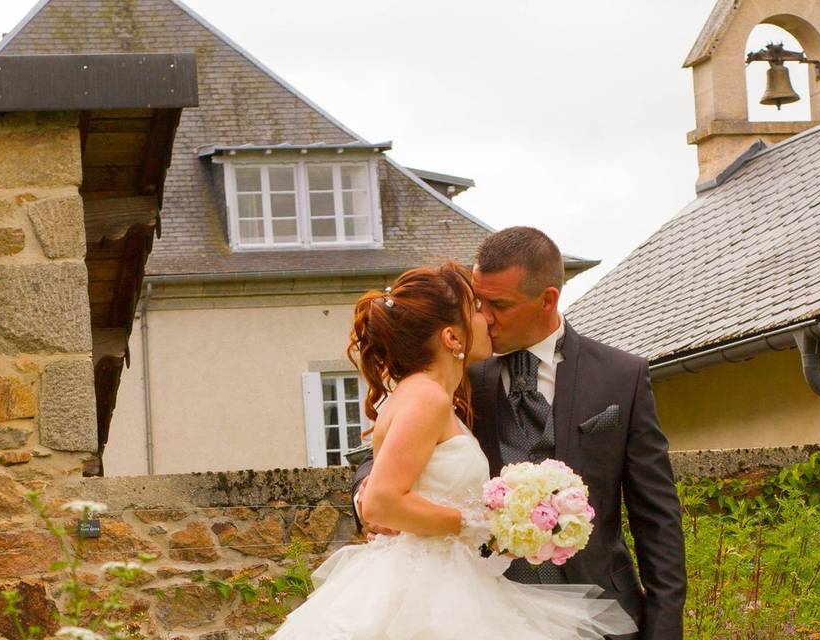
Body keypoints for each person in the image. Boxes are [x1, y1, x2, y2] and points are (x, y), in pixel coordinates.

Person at [271, 262, 636, 639]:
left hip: (449, 578)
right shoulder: (426, 396)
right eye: (476, 309)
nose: (487, 318)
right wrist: (480, 524)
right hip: (426, 590)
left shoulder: (431, 394)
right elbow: (381, 502)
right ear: (451, 338)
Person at [355, 228, 686, 640]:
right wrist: (367, 498)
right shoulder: (456, 372)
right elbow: (383, 456)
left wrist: (665, 628)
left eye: (499, 305)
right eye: (478, 303)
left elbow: (656, 517)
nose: (486, 317)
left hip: (599, 610)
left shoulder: (621, 376)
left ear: (547, 299)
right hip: (481, 607)